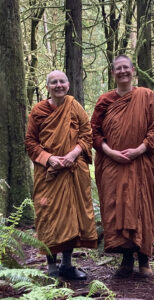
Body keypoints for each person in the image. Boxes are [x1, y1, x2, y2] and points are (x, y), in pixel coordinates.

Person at [91, 55, 154, 277]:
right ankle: (125, 261)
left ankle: (144, 262)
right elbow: (93, 132)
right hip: (113, 164)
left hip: (142, 163)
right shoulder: (105, 100)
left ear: (133, 71)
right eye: (118, 68)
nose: (123, 71)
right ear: (113, 73)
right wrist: (110, 152)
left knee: (142, 209)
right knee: (119, 209)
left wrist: (139, 149)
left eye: (126, 67)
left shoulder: (148, 96)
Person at [25, 70, 97, 280]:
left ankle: (67, 264)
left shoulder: (74, 106)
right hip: (49, 173)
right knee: (48, 215)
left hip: (73, 171)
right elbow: (30, 141)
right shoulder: (38, 111)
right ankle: (51, 266)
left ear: (68, 84)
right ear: (47, 86)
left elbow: (87, 133)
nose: (58, 85)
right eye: (53, 82)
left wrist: (74, 154)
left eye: (62, 81)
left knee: (71, 217)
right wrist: (49, 158)